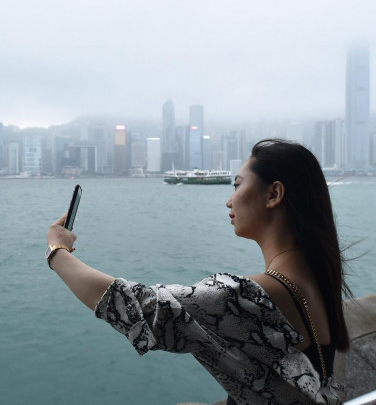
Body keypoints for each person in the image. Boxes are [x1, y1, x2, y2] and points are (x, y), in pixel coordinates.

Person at [44, 139, 350, 404]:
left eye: (238, 185)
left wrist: (58, 251)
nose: (229, 200)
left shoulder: (248, 298)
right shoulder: (318, 281)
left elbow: (138, 306)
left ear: (274, 195)